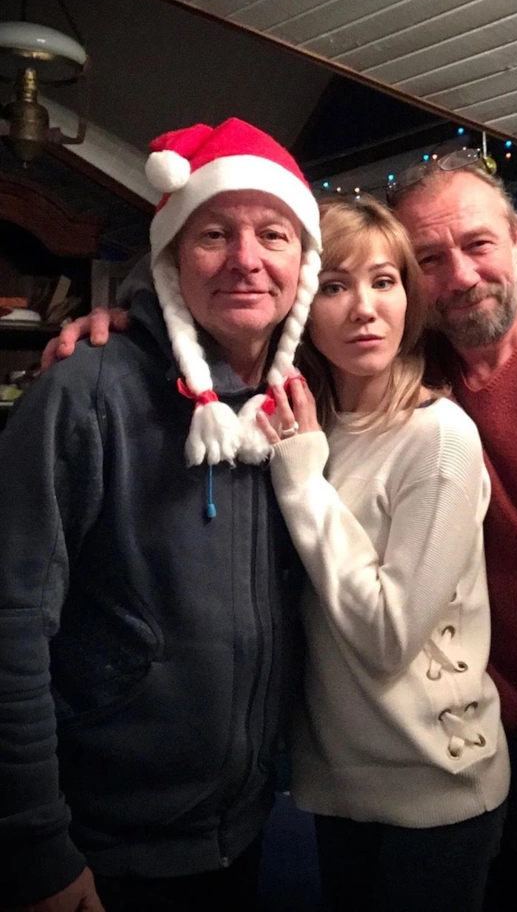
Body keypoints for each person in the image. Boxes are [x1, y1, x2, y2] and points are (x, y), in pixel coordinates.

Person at [43, 152, 517, 912]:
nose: (461, 277)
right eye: (430, 260)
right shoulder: (389, 366)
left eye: (478, 244)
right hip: (454, 732)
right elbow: (252, 306)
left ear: (516, 239)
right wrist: (133, 327)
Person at [0, 117, 323, 911]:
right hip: (100, 847)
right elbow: (11, 621)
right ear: (173, 258)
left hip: (242, 829)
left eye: (273, 235)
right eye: (214, 233)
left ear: (303, 265)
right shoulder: (85, 392)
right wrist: (35, 845)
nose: (246, 259)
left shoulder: (302, 402)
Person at [256, 194, 508, 912]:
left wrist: (302, 481)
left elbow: (387, 635)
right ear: (303, 306)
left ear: (409, 300)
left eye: (385, 281)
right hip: (334, 782)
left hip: (437, 791)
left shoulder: (439, 437)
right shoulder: (310, 426)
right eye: (335, 285)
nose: (364, 308)